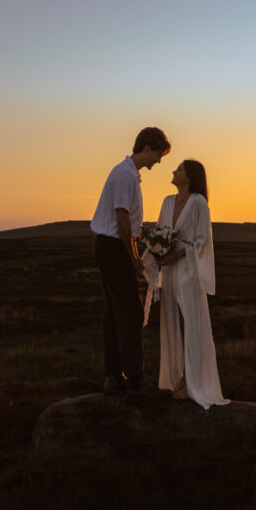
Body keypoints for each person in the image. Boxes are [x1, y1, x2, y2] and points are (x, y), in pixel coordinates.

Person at [91, 127, 172, 402]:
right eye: (158, 155)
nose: (159, 161)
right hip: (114, 248)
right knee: (131, 312)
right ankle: (136, 381)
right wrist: (133, 256)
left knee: (114, 314)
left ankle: (114, 378)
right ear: (147, 148)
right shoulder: (125, 174)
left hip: (108, 247)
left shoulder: (126, 173)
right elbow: (122, 218)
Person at [145, 160, 230, 409]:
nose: (173, 171)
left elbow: (202, 241)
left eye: (179, 169)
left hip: (189, 271)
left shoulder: (198, 203)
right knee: (172, 323)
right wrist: (152, 257)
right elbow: (160, 232)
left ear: (190, 176)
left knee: (191, 323)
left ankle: (194, 383)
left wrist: (174, 256)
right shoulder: (167, 202)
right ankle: (177, 378)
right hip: (170, 271)